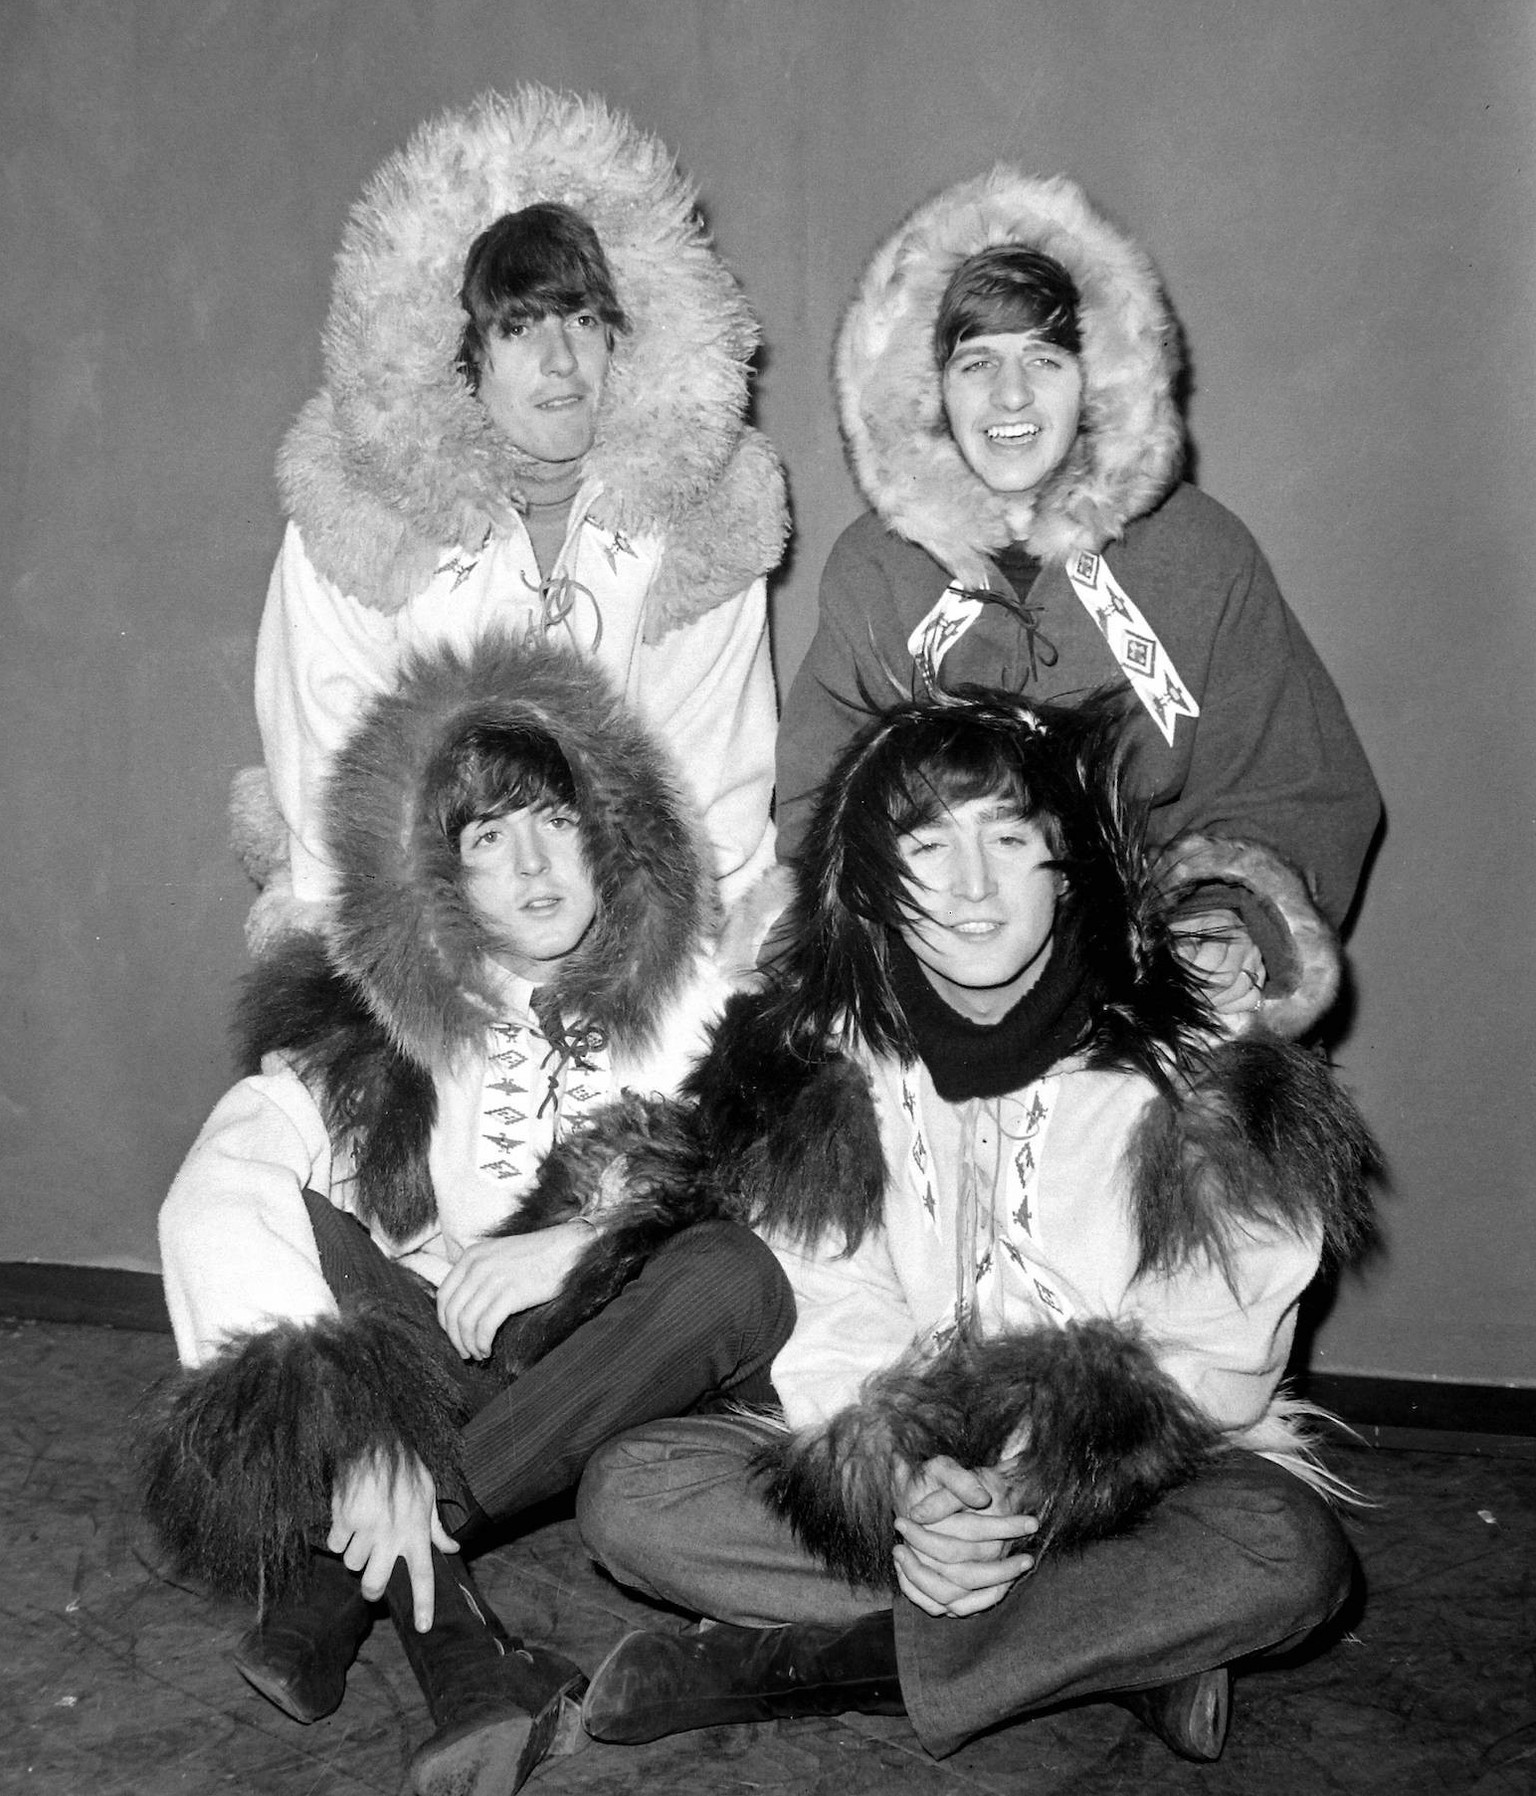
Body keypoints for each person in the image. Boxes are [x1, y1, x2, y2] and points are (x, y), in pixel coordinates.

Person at [565, 684, 1376, 1766]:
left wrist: (1024, 1489)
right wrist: (909, 1485)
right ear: (871, 879)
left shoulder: (1202, 1050)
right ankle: (1117, 1650)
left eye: (1010, 836)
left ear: (1068, 858)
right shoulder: (833, 1056)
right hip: (917, 1466)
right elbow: (830, 1296)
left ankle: (816, 1665)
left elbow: (1216, 1342)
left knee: (1287, 1552)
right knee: (632, 1492)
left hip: (1128, 1477)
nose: (975, 887)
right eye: (928, 845)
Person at [139, 634, 794, 1796]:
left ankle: (349, 1583)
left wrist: (591, 1235)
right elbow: (237, 1160)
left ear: (612, 827)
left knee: (728, 1268)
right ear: (444, 876)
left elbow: (787, 1189)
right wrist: (353, 1414)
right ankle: (470, 1661)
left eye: (555, 817)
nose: (535, 866)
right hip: (455, 1355)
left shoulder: (709, 990)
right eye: (488, 839)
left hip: (627, 1362)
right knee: (285, 1199)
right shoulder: (402, 1017)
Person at [775, 168, 1380, 1021]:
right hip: (942, 989)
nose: (1010, 396)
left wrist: (1228, 921)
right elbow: (818, 815)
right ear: (929, 391)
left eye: (1045, 359)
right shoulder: (876, 573)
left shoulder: (1199, 554)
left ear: (1097, 380)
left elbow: (1295, 787)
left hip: (1151, 991)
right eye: (976, 361)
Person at [241, 86, 786, 950]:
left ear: (628, 335)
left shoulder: (697, 519)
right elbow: (332, 780)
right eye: (519, 325)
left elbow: (714, 789)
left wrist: (678, 979)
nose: (561, 359)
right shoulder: (359, 515)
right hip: (418, 941)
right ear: (456, 350)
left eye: (583, 317)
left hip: (634, 946)